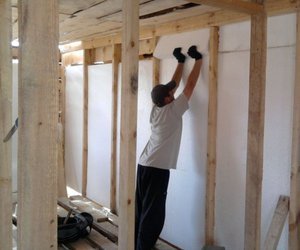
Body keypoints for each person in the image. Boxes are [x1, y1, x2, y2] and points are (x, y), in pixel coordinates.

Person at [135, 45, 203, 250]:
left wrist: (180, 62)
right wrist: (198, 60)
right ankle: (143, 248)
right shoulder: (174, 110)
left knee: (141, 210)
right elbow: (189, 86)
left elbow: (172, 86)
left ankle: (136, 245)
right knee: (153, 213)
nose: (173, 93)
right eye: (170, 93)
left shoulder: (157, 108)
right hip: (157, 169)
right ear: (167, 99)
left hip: (144, 164)